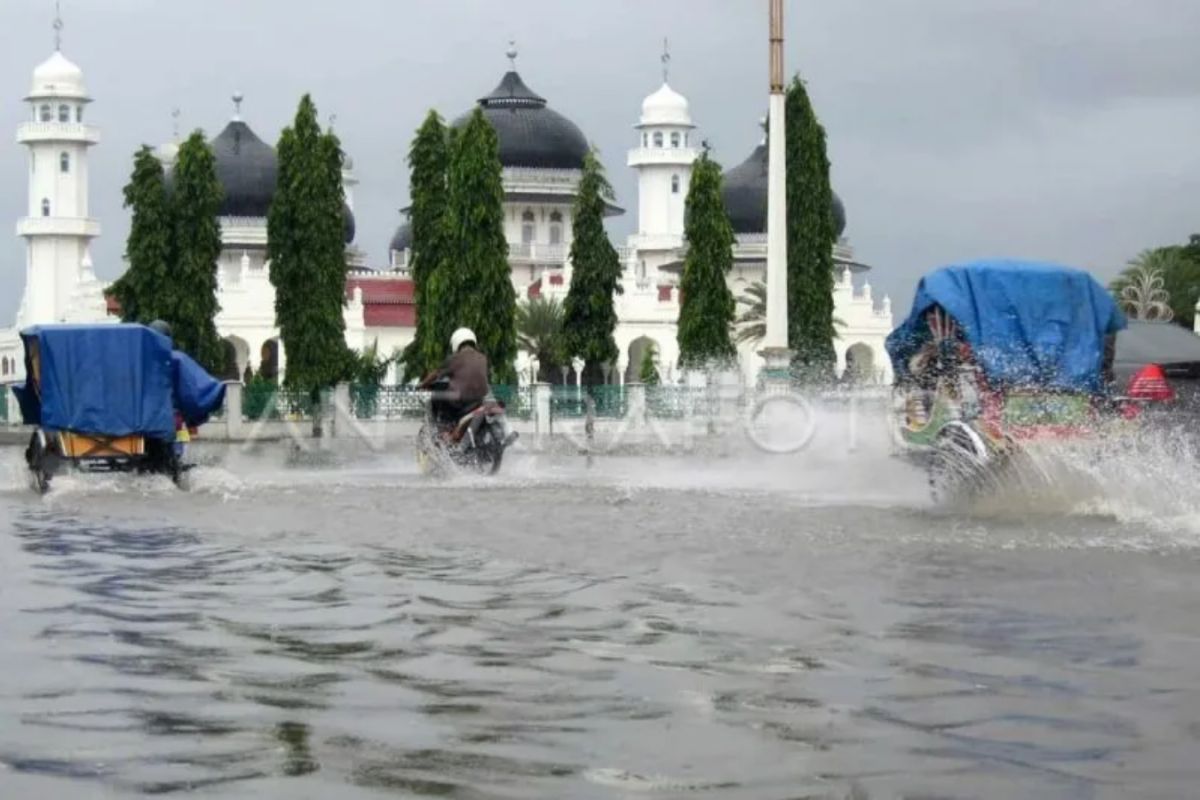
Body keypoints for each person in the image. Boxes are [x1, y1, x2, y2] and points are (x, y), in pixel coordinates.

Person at [418, 328, 493, 435]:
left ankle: (441, 428)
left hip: (461, 401)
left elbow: (436, 374)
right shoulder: (483, 358)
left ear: (456, 342)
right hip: (480, 400)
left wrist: (422, 384)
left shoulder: (454, 359)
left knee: (437, 395)